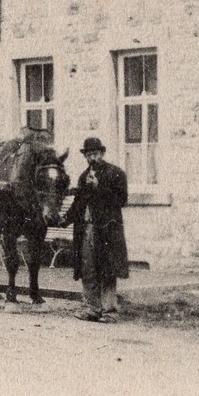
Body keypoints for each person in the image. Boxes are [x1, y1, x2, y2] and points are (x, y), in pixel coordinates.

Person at [61, 136, 129, 322]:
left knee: (107, 270)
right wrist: (65, 219)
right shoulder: (84, 177)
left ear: (102, 153)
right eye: (89, 155)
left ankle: (109, 311)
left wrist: (99, 188)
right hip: (86, 229)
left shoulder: (116, 174)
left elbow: (121, 200)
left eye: (96, 154)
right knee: (87, 269)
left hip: (106, 231)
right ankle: (92, 308)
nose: (92, 158)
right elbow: (78, 204)